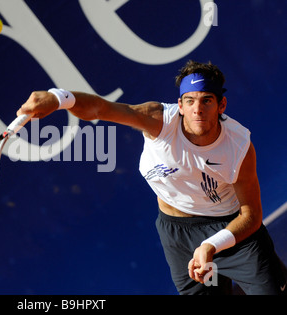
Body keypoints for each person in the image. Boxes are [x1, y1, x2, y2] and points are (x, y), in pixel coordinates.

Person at [16, 60, 286, 295]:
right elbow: (100, 109)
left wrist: (211, 245)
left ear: (221, 105)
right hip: (179, 235)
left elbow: (251, 216)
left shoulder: (238, 146)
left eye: (207, 100)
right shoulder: (158, 120)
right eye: (190, 101)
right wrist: (59, 98)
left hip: (232, 231)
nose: (197, 109)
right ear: (179, 105)